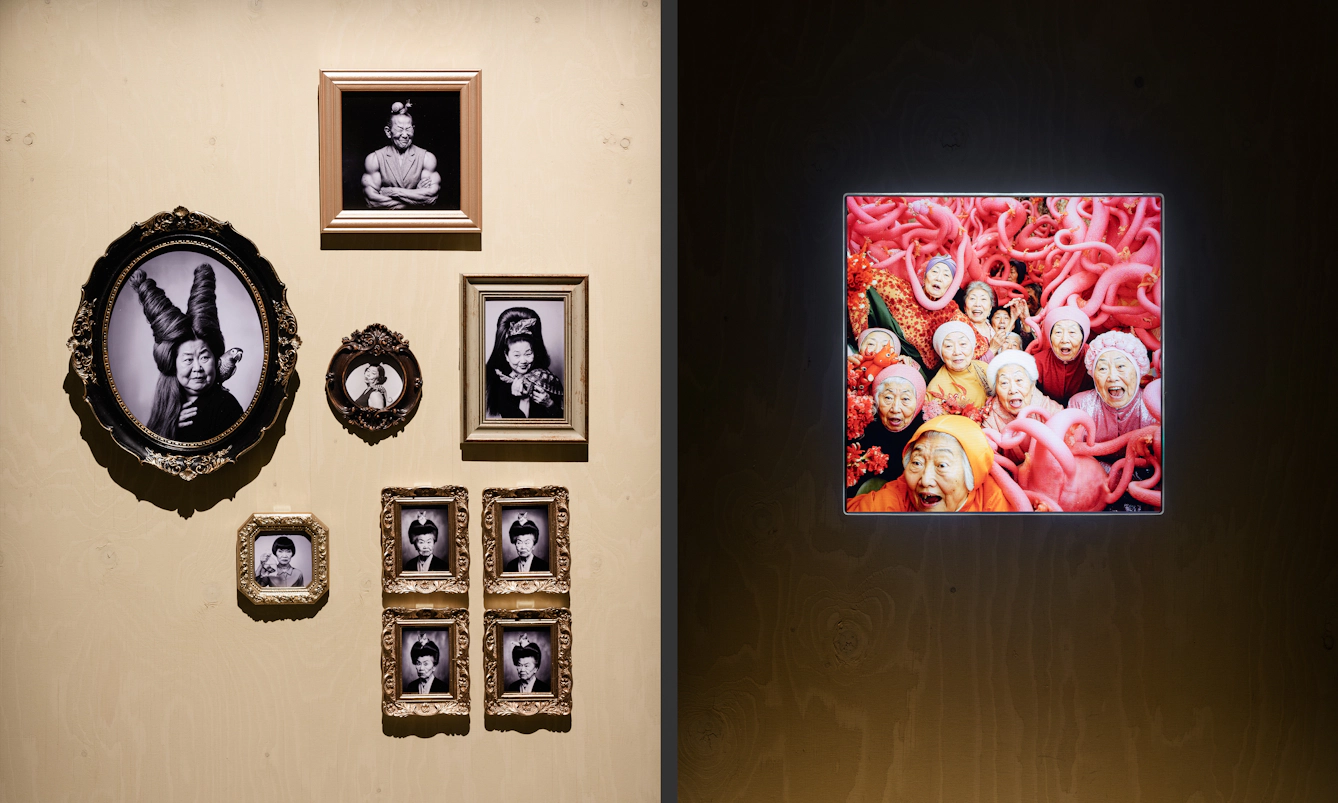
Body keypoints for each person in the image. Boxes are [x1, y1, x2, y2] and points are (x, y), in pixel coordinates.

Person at [128, 264, 244, 441]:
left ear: (215, 358)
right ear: (173, 364)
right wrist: (168, 424)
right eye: (188, 360)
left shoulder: (227, 407)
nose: (197, 368)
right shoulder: (168, 405)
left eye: (204, 357)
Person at [847, 415, 1012, 512]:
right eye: (917, 463)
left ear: (972, 474)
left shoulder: (992, 503)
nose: (925, 480)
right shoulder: (900, 492)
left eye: (941, 466)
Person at [847, 255, 986, 371]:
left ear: (952, 285)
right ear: (924, 277)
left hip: (916, 369)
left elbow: (979, 346)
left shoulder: (951, 313)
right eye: (934, 271)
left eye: (946, 275)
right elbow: (864, 273)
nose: (939, 278)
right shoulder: (903, 290)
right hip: (880, 351)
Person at [847, 364, 927, 498]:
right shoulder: (861, 428)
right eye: (888, 398)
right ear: (876, 398)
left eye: (905, 399)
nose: (895, 408)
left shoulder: (925, 434)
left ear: (918, 402)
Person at [1066, 331, 1159, 442]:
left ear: (1137, 372)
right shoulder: (1079, 405)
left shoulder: (1154, 407)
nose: (1112, 377)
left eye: (1121, 366)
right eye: (1103, 369)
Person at [980, 350, 1063, 464]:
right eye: (1004, 383)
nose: (1013, 389)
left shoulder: (1050, 408)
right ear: (996, 390)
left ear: (1032, 385)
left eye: (1019, 380)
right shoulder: (990, 419)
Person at [485, 307, 564, 419]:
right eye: (516, 355)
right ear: (506, 356)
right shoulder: (502, 388)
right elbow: (517, 431)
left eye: (528, 354)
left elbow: (565, 421)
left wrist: (549, 404)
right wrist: (524, 399)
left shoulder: (546, 378)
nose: (523, 361)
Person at [362, 100, 441, 209]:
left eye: (408, 129)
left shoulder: (427, 158)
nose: (405, 135)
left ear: (413, 129)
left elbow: (431, 198)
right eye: (400, 129)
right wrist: (416, 194)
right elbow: (372, 201)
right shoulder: (374, 159)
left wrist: (394, 192)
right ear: (388, 132)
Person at [923, 321, 989, 422]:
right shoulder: (935, 390)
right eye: (949, 346)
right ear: (940, 351)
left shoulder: (985, 368)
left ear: (972, 346)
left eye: (963, 344)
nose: (957, 352)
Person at [1032, 305, 1095, 405]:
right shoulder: (1038, 362)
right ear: (1050, 336)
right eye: (1058, 332)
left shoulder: (1095, 359)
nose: (1064, 339)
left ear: (1083, 336)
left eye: (1072, 332)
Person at [961, 281, 1026, 362]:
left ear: (990, 307)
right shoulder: (962, 329)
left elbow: (999, 340)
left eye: (983, 299)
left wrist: (1013, 318)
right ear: (965, 306)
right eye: (972, 299)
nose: (977, 304)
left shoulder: (988, 326)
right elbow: (971, 367)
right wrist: (992, 349)